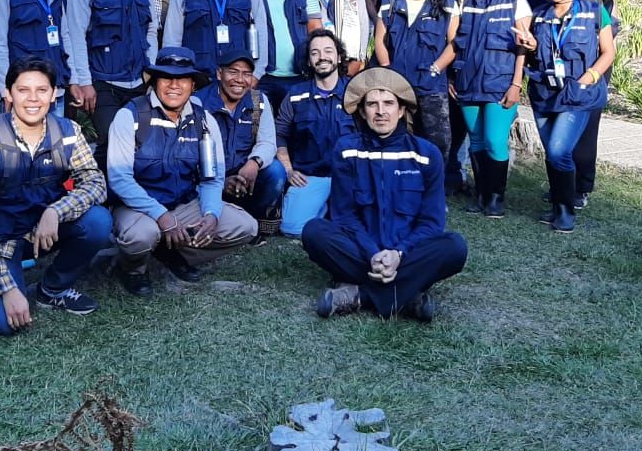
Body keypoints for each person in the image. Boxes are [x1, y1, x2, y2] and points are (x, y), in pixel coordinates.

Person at [0, 58, 112, 334]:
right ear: (8, 94)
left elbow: (96, 182)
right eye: (23, 90)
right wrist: (7, 289)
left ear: (53, 95)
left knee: (98, 221)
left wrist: (56, 211)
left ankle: (53, 289)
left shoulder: (68, 131)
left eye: (41, 90)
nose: (33, 99)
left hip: (44, 230)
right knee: (6, 324)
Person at [301, 68, 467, 322]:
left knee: (455, 248)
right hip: (361, 252)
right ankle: (408, 295)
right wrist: (372, 253)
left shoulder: (426, 154)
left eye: (389, 103)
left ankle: (360, 295)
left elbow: (432, 222)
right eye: (372, 104)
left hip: (407, 252)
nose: (381, 111)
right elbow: (344, 216)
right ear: (362, 111)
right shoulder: (346, 150)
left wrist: (398, 254)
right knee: (314, 232)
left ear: (401, 110)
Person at [107, 46, 258, 296]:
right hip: (138, 207)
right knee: (142, 236)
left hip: (183, 204)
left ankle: (169, 252)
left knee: (245, 226)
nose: (174, 85)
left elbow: (213, 177)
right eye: (167, 77)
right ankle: (132, 268)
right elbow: (119, 179)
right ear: (155, 81)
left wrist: (211, 213)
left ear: (193, 84)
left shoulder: (204, 121)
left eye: (182, 79)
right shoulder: (130, 115)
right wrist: (161, 216)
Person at [525, 0, 619, 209]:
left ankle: (581, 188)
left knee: (585, 126)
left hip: (586, 52)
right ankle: (562, 188)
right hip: (550, 51)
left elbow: (607, 1)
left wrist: (598, 55)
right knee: (556, 132)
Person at [515, 0, 615, 232]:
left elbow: (608, 52)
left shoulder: (595, 11)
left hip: (579, 94)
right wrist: (533, 45)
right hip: (544, 93)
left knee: (560, 151)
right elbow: (536, 53)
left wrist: (588, 79)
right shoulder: (540, 15)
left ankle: (566, 209)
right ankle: (557, 205)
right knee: (551, 154)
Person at [65, 0, 158, 167]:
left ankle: (131, 203)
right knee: (110, 144)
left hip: (138, 83)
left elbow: (151, 29)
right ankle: (103, 200)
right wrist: (83, 81)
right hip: (103, 83)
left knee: (142, 145)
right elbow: (75, 35)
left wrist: (150, 69)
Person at [444, 0, 533, 218]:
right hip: (467, 83)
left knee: (495, 141)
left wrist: (516, 84)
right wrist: (451, 76)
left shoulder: (515, 0)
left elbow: (523, 47)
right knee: (476, 142)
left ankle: (496, 197)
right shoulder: (464, 0)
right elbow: (453, 42)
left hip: (501, 83)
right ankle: (480, 195)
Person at [373, 0, 456, 162]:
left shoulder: (447, 4)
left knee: (436, 143)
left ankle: (434, 187)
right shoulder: (389, 1)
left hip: (431, 86)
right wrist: (388, 69)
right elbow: (380, 40)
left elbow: (454, 43)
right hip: (396, 84)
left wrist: (436, 68)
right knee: (396, 139)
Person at [274, 29, 356, 237]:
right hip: (312, 177)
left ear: (339, 57)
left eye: (328, 51)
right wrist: (289, 170)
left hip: (350, 177)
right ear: (309, 62)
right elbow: (278, 135)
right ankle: (323, 208)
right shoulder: (295, 95)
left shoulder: (356, 93)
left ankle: (330, 210)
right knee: (291, 228)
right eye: (315, 53)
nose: (322, 57)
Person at [197, 48, 288, 236]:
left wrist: (254, 163)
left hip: (245, 175)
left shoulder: (258, 100)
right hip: (209, 178)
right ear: (219, 73)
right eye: (233, 72)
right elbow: (189, 154)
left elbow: (268, 141)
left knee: (276, 171)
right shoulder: (198, 103)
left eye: (247, 74)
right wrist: (219, 181)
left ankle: (258, 224)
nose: (240, 80)